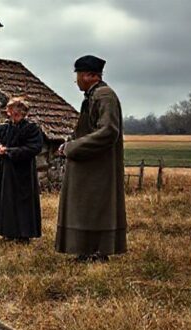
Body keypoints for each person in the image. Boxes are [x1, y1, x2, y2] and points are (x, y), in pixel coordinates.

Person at [56, 55, 127, 262]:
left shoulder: (104, 96)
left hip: (98, 167)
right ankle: (86, 250)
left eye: (78, 75)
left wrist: (72, 148)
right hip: (88, 164)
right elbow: (88, 129)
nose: (76, 80)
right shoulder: (93, 96)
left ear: (89, 75)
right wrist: (69, 142)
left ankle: (97, 252)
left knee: (95, 207)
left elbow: (108, 131)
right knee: (84, 207)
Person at [0, 97, 44, 243]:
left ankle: (23, 235)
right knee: (6, 201)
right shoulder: (4, 128)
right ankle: (7, 233)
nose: (7, 112)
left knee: (22, 203)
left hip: (22, 173)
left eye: (10, 110)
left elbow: (33, 148)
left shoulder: (31, 129)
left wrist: (9, 151)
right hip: (6, 171)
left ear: (17, 113)